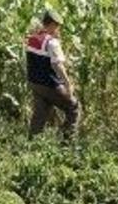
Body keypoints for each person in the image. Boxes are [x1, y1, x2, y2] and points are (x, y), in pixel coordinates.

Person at [25, 8, 79, 138]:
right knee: (73, 107)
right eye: (57, 26)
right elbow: (57, 65)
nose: (58, 29)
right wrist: (68, 84)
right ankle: (66, 141)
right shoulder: (52, 42)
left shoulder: (32, 38)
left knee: (40, 114)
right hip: (49, 84)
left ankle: (32, 143)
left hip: (34, 83)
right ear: (52, 24)